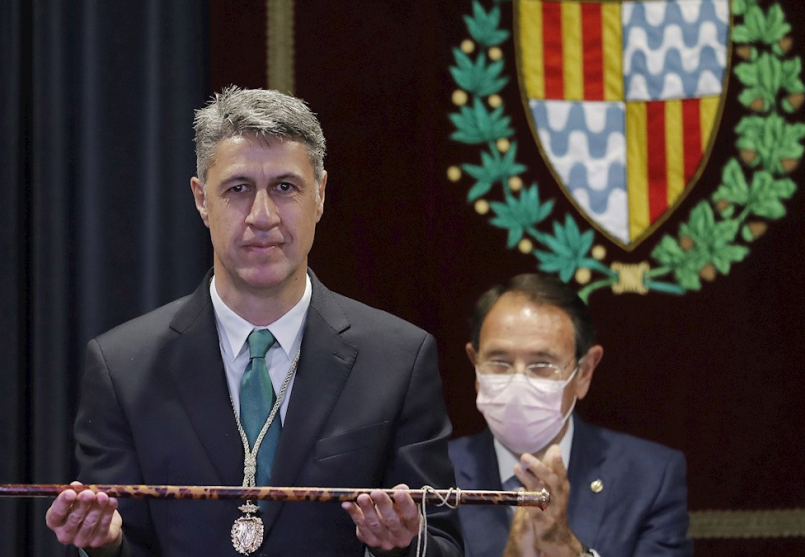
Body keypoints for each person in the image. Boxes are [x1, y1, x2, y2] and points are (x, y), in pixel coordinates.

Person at [43, 86, 463, 557]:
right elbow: (121, 539)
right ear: (202, 199)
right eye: (238, 189)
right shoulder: (123, 366)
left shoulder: (398, 360)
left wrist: (399, 548)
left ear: (320, 195)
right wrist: (106, 546)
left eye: (285, 187)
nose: (262, 217)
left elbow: (442, 541)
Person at [448, 274, 692, 557]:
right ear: (475, 364)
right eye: (499, 362)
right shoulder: (431, 473)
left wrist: (569, 551)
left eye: (542, 364)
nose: (518, 383)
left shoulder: (649, 476)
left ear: (584, 372)